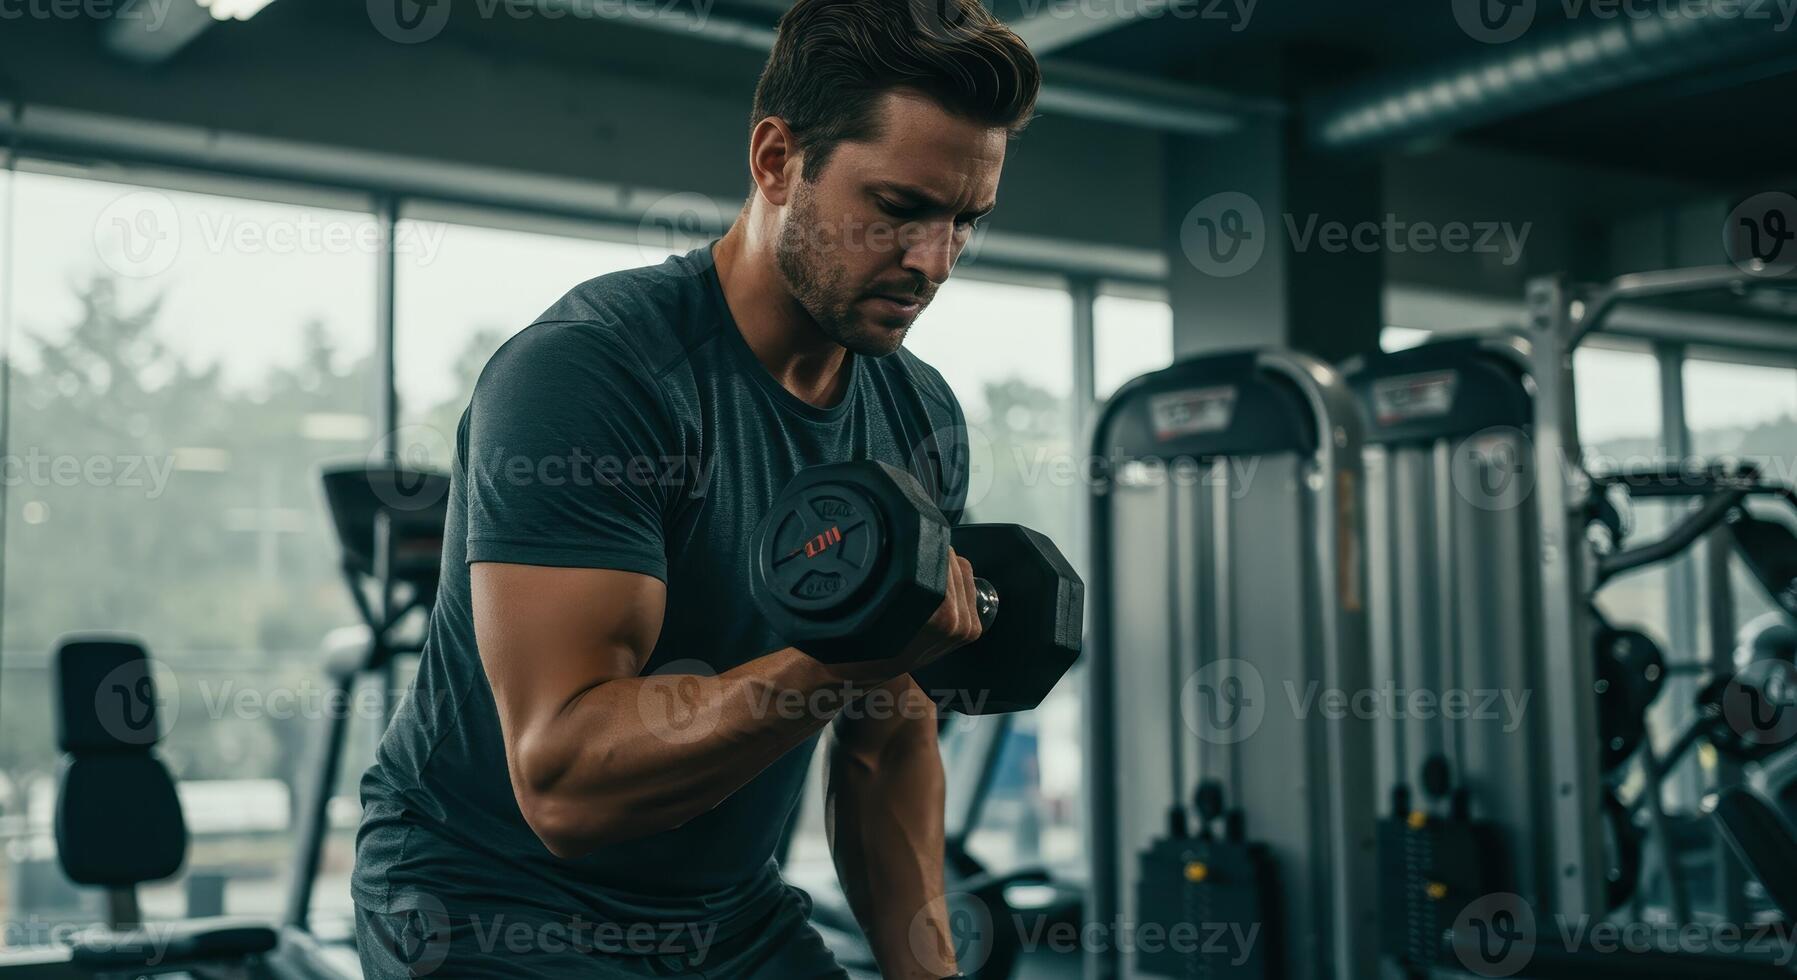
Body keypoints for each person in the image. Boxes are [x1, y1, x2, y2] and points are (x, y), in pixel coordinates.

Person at [351, 1, 1042, 976]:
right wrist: (846, 657)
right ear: (776, 160)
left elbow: (886, 746)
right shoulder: (592, 374)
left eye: (964, 221)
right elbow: (565, 785)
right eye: (897, 208)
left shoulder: (918, 416)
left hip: (724, 911)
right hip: (489, 899)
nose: (934, 261)